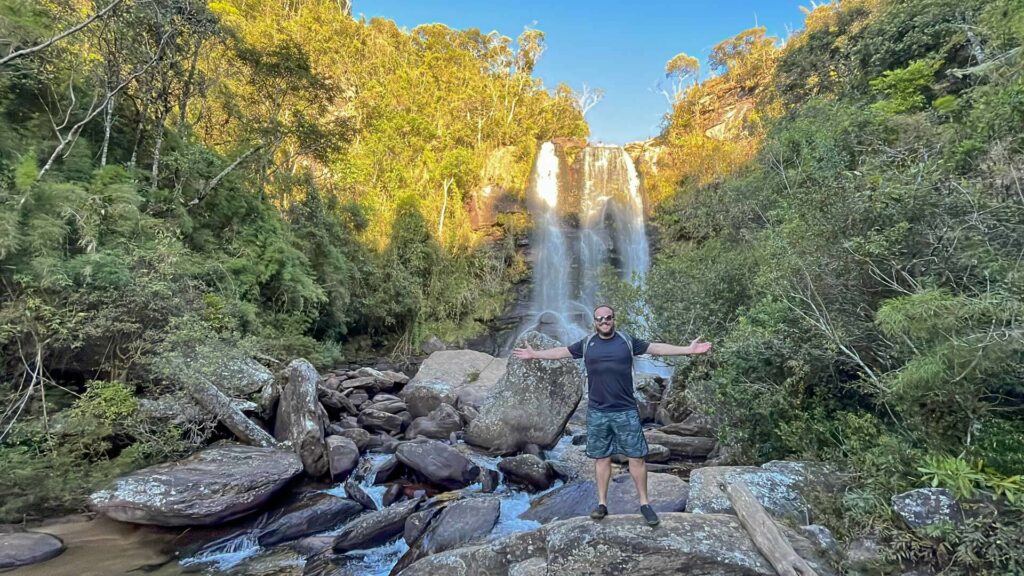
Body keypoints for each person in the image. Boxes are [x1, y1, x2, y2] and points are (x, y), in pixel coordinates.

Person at [512, 304, 711, 526]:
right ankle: (602, 504)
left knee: (636, 458)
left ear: (613, 320)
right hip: (598, 412)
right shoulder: (587, 344)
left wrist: (687, 350)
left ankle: (645, 504)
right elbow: (562, 352)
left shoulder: (627, 341)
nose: (604, 321)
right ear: (594, 322)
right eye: (600, 319)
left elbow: (655, 348)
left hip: (626, 411)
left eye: (608, 318)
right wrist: (534, 354)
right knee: (601, 458)